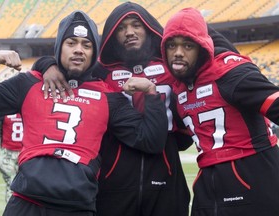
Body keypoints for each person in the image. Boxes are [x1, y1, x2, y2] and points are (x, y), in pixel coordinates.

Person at [0, 10, 168, 216]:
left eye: (87, 45)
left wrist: (151, 93)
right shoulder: (30, 83)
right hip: (27, 203)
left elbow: (151, 140)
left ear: (94, 53)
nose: (78, 50)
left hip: (76, 207)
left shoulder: (107, 96)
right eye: (71, 43)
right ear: (59, 48)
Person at [33, 2, 193, 215]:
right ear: (110, 35)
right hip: (114, 180)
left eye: (136, 25)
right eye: (120, 28)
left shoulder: (171, 66)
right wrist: (47, 65)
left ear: (148, 27)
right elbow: (66, 63)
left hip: (166, 175)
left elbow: (204, 51)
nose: (129, 32)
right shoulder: (100, 71)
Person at [161, 7, 279, 216]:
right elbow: (181, 139)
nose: (178, 52)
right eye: (171, 45)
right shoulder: (178, 87)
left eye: (187, 45)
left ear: (202, 48)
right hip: (207, 186)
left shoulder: (231, 74)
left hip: (253, 181)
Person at [0, 68, 23, 203]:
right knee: (12, 188)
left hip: (25, 153)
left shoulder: (27, 105)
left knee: (26, 189)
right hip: (9, 153)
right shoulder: (3, 110)